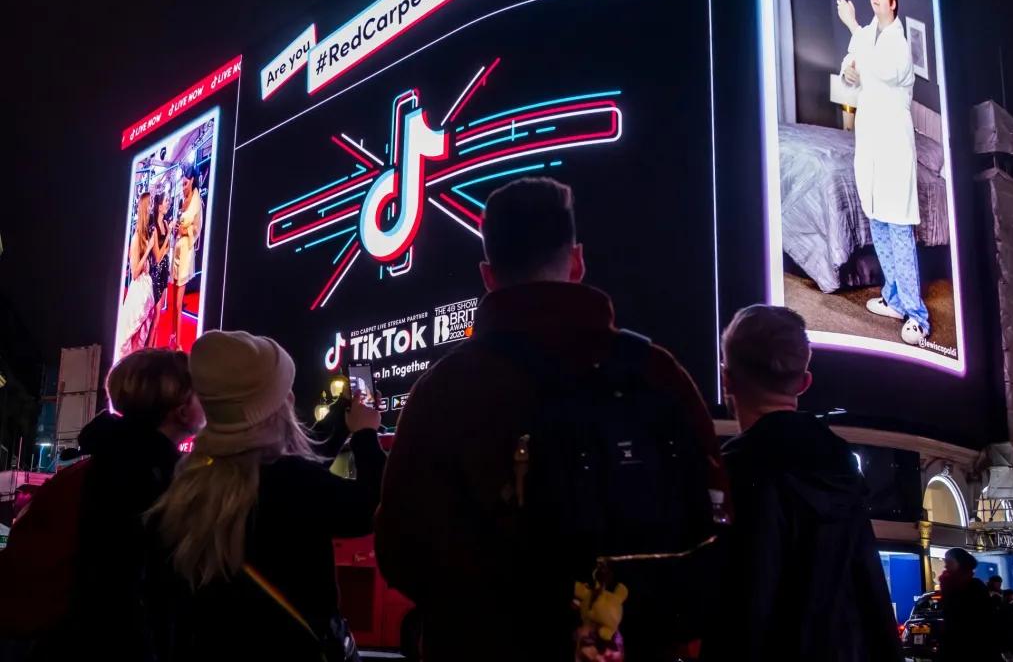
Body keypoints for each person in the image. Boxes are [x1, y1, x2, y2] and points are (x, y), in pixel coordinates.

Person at [376, 177, 720, 662]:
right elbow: (711, 528)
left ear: (488, 275)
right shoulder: (654, 371)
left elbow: (400, 552)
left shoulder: (445, 389)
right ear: (577, 261)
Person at [151, 330, 386, 661]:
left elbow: (302, 470)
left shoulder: (191, 479)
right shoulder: (290, 481)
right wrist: (365, 435)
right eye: (283, 390)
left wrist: (341, 422)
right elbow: (374, 505)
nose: (290, 397)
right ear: (269, 407)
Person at [704, 305, 901, 662]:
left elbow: (736, 610)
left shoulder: (728, 473)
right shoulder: (843, 468)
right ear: (804, 382)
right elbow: (871, 594)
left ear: (726, 380)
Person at [32, 349, 205, 661]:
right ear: (181, 409)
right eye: (200, 393)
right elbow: (133, 584)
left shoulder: (103, 458)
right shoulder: (156, 475)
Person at [836, 0, 929, 346]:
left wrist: (852, 27)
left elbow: (884, 72)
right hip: (870, 146)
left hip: (892, 149)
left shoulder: (898, 44)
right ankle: (893, 298)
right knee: (878, 222)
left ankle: (917, 316)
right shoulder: (868, 37)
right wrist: (850, 73)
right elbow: (849, 67)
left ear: (893, 1)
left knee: (898, 228)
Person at [938, 547, 998, 661]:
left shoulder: (975, 586)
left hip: (974, 643)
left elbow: (986, 617)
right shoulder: (947, 585)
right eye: (946, 562)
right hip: (953, 643)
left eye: (949, 562)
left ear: (961, 563)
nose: (946, 566)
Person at [116, 192, 157, 356]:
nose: (153, 207)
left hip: (146, 290)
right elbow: (134, 272)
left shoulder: (146, 235)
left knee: (140, 337)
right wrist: (148, 250)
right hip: (138, 293)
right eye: (150, 204)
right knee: (128, 335)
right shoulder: (136, 238)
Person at [168, 165, 203, 351]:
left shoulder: (197, 202)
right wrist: (176, 229)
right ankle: (173, 336)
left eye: (185, 183)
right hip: (177, 250)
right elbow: (180, 225)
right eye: (182, 184)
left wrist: (185, 231)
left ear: (192, 181)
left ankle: (179, 344)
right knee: (174, 300)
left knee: (178, 302)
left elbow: (197, 229)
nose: (183, 187)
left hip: (186, 253)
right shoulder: (183, 200)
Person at [147, 192, 174, 346]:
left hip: (164, 271)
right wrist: (168, 234)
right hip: (155, 273)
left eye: (168, 201)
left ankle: (154, 347)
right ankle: (149, 350)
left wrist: (168, 237)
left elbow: (167, 249)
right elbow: (157, 257)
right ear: (159, 206)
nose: (168, 204)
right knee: (155, 315)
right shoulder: (154, 228)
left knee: (158, 316)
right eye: (166, 201)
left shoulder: (164, 223)